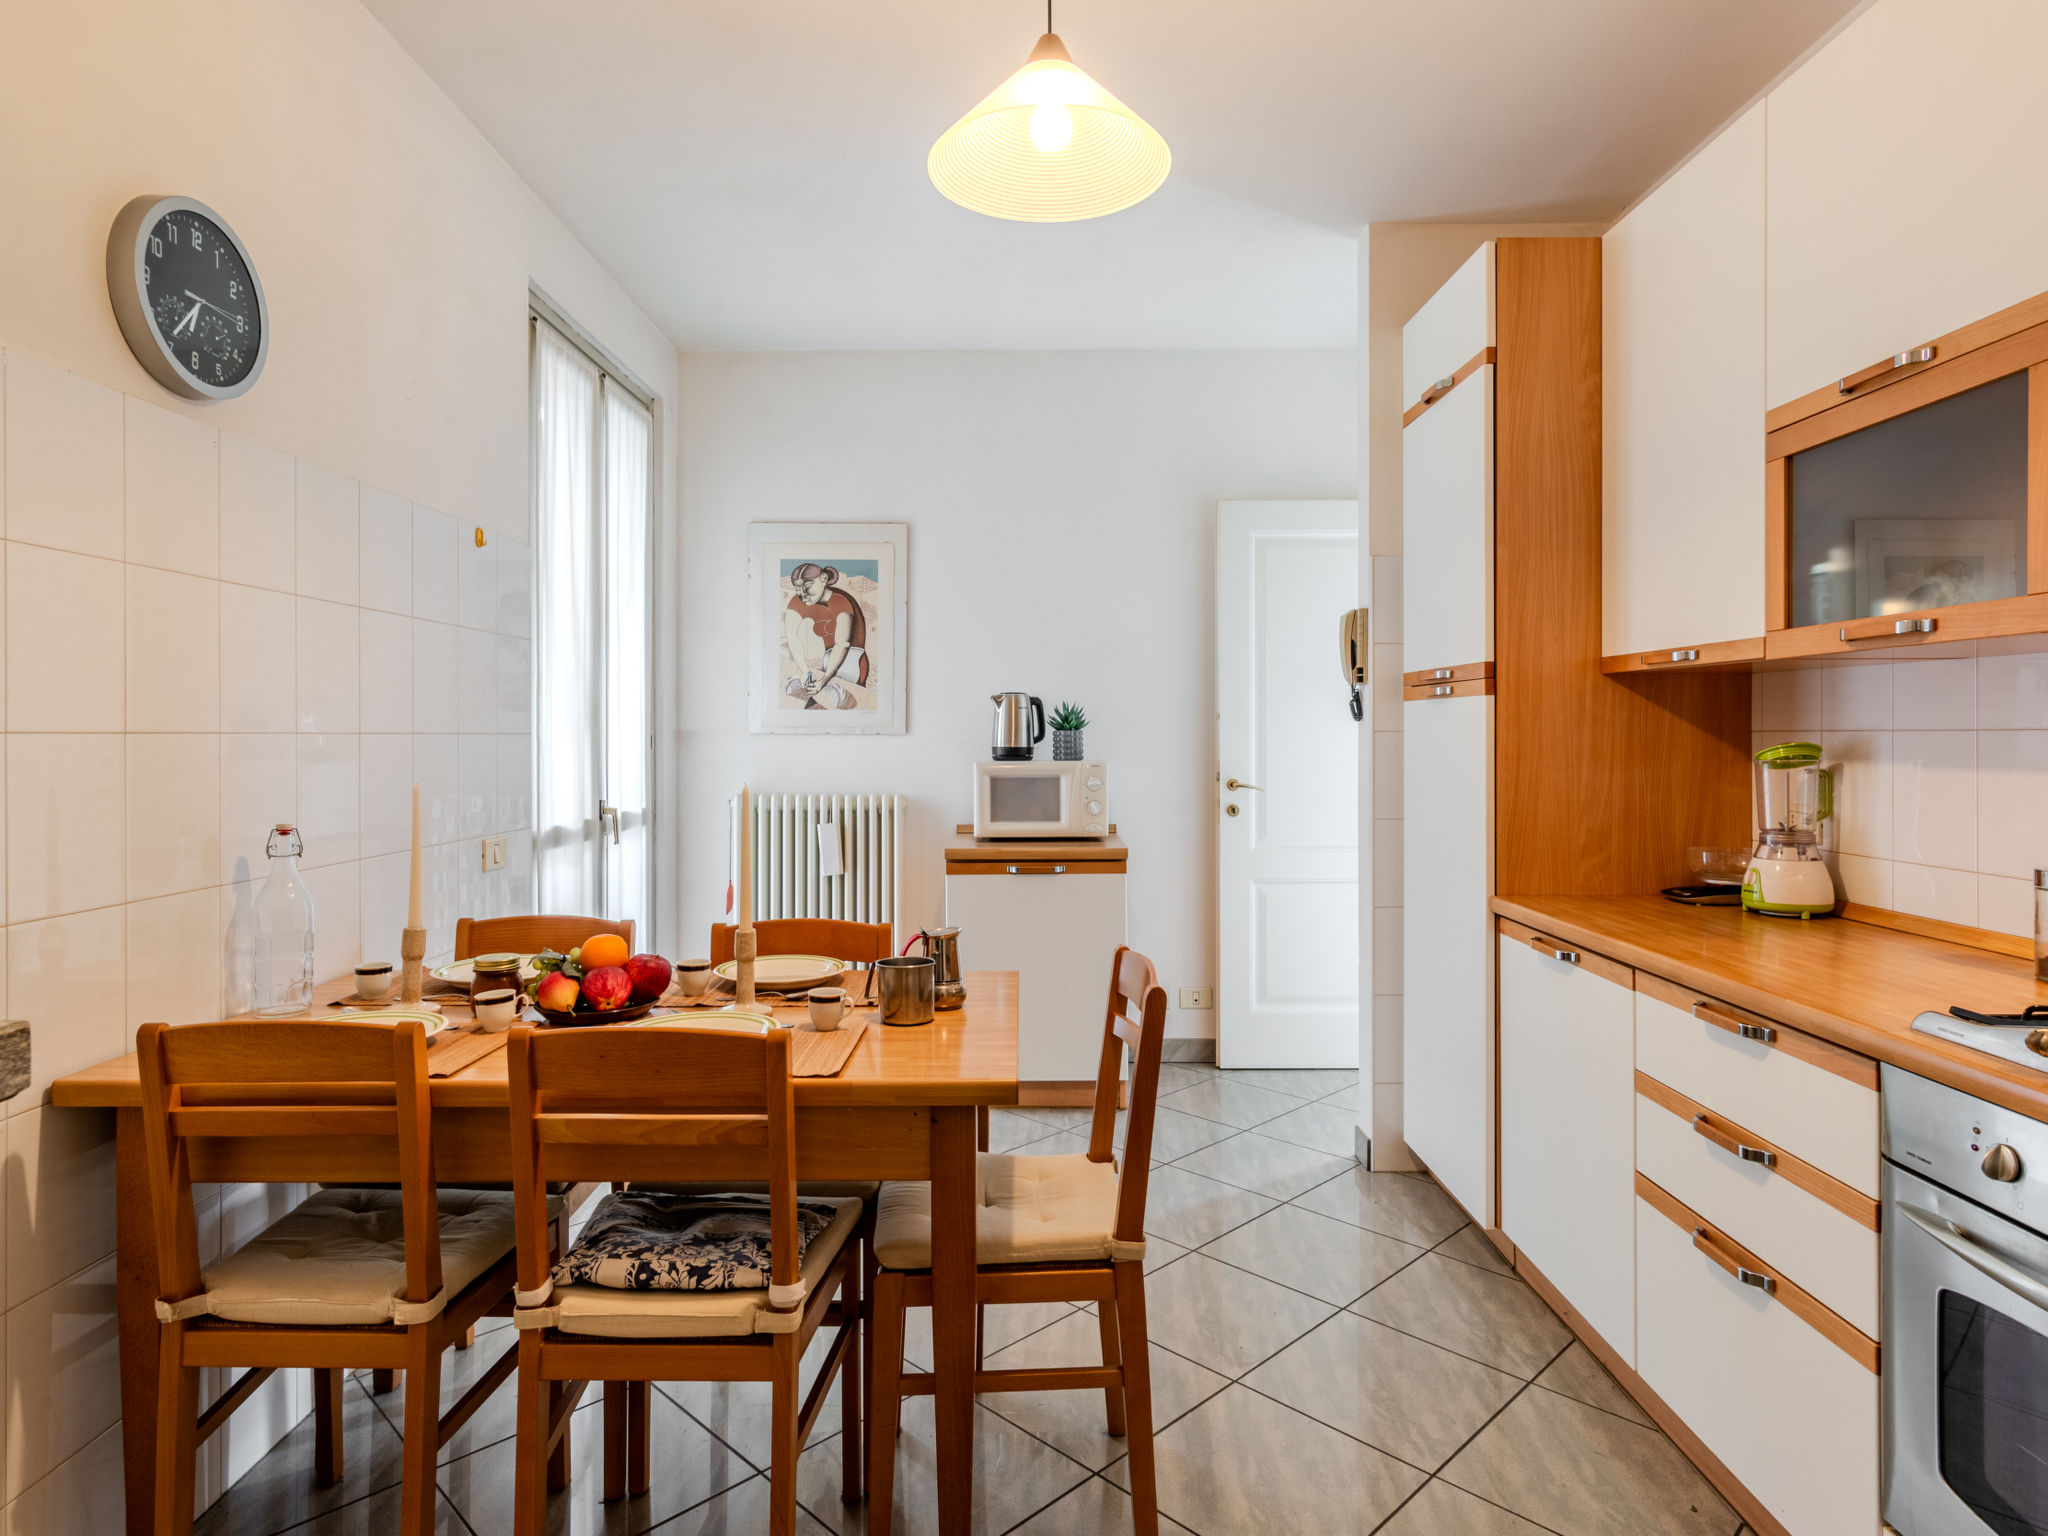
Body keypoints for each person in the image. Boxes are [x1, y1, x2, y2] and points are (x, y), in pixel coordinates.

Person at [781, 562, 868, 709]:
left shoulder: (840, 601)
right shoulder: (798, 601)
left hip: (851, 657)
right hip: (830, 655)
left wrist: (824, 680)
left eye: (808, 586)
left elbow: (843, 644)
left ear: (823, 579)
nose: (802, 594)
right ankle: (820, 692)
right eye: (797, 589)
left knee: (832, 670)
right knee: (813, 675)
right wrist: (805, 672)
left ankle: (838, 695)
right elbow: (793, 638)